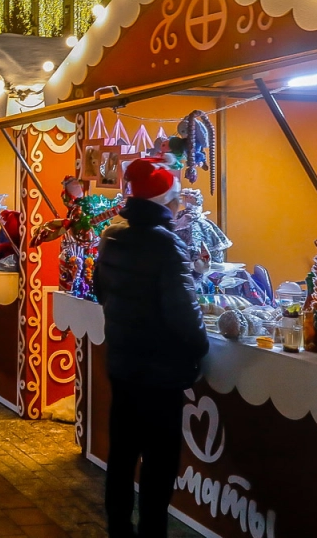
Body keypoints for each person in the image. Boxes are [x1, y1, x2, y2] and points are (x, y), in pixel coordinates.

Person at [95, 158, 210, 538]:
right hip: (160, 371)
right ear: (166, 201)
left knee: (123, 453)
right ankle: (152, 531)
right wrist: (199, 347)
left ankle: (117, 527)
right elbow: (183, 312)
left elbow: (102, 291)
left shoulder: (112, 236)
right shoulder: (167, 244)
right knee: (159, 462)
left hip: (123, 362)